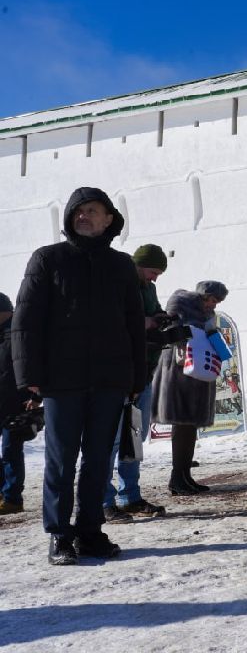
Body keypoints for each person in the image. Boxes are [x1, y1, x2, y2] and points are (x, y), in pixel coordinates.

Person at [12, 187, 146, 565]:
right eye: (79, 212)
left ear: (109, 220)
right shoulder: (48, 259)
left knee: (99, 459)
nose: (85, 217)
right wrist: (29, 374)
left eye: (94, 211)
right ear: (70, 218)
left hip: (109, 377)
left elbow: (134, 324)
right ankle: (59, 534)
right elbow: (26, 320)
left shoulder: (121, 265)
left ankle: (90, 530)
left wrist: (137, 375)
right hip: (62, 379)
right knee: (61, 459)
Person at [103, 244, 170, 522]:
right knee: (111, 440)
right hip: (119, 374)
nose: (155, 278)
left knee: (134, 439)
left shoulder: (147, 288)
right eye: (153, 271)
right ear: (139, 265)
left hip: (144, 372)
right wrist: (145, 323)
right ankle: (102, 500)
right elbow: (111, 321)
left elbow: (151, 314)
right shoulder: (117, 282)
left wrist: (162, 319)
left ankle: (129, 495)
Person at [154, 280, 228, 495]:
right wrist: (194, 336)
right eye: (212, 300)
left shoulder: (207, 314)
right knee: (182, 424)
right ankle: (177, 478)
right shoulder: (181, 302)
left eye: (217, 302)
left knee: (190, 426)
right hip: (179, 372)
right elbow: (171, 330)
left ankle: (185, 476)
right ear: (204, 295)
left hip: (199, 371)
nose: (213, 305)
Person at [1, 292, 41, 515]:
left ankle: (12, 498)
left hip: (17, 403)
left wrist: (36, 396)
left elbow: (30, 364)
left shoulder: (19, 332)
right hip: (3, 400)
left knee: (11, 450)